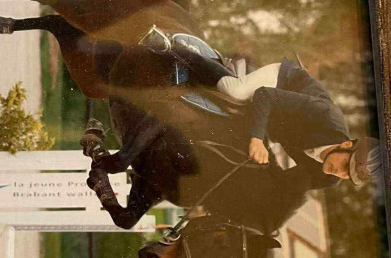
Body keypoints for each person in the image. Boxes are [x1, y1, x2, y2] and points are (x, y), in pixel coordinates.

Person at [151, 42, 381, 189]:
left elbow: (281, 185)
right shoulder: (325, 116)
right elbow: (265, 95)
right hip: (280, 84)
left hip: (277, 122)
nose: (339, 172)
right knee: (236, 92)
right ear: (346, 144)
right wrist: (257, 139)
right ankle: (174, 49)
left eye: (347, 175)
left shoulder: (326, 178)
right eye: (345, 164)